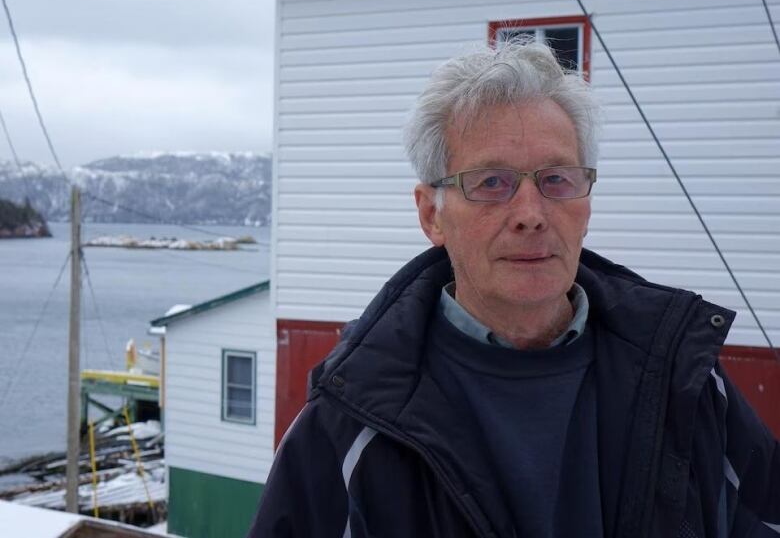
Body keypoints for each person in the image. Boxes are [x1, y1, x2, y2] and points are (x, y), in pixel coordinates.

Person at [248, 42, 779, 538]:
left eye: (556, 179)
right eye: (491, 183)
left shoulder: (684, 383)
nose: (531, 215)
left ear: (586, 201)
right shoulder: (351, 423)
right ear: (431, 214)